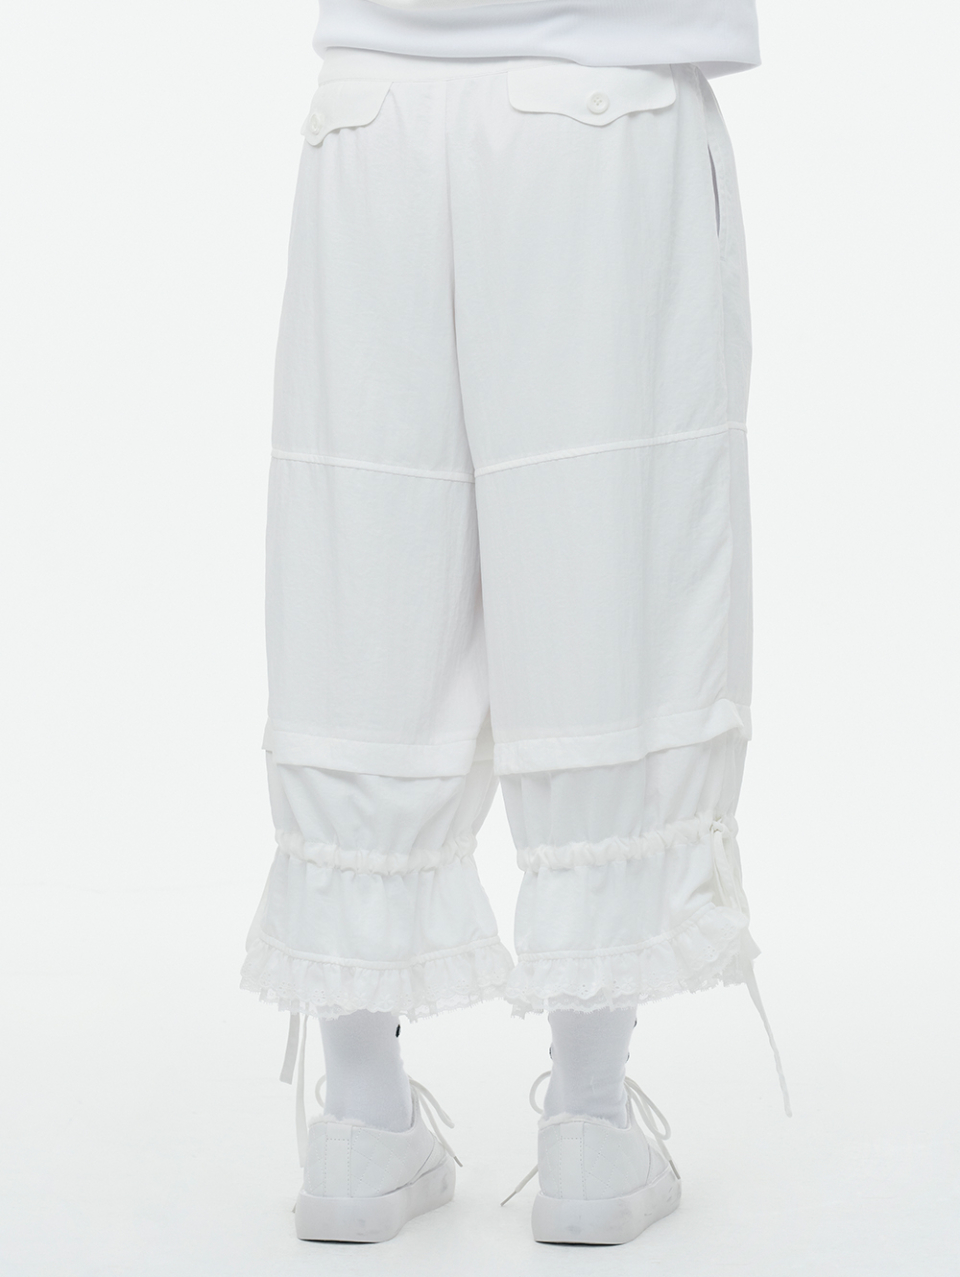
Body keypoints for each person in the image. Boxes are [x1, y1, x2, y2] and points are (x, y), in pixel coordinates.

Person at [241, 0, 788, 1246]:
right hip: (599, 93)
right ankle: (587, 1121)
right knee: (608, 573)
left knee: (364, 565)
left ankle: (359, 1116)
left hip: (372, 107)